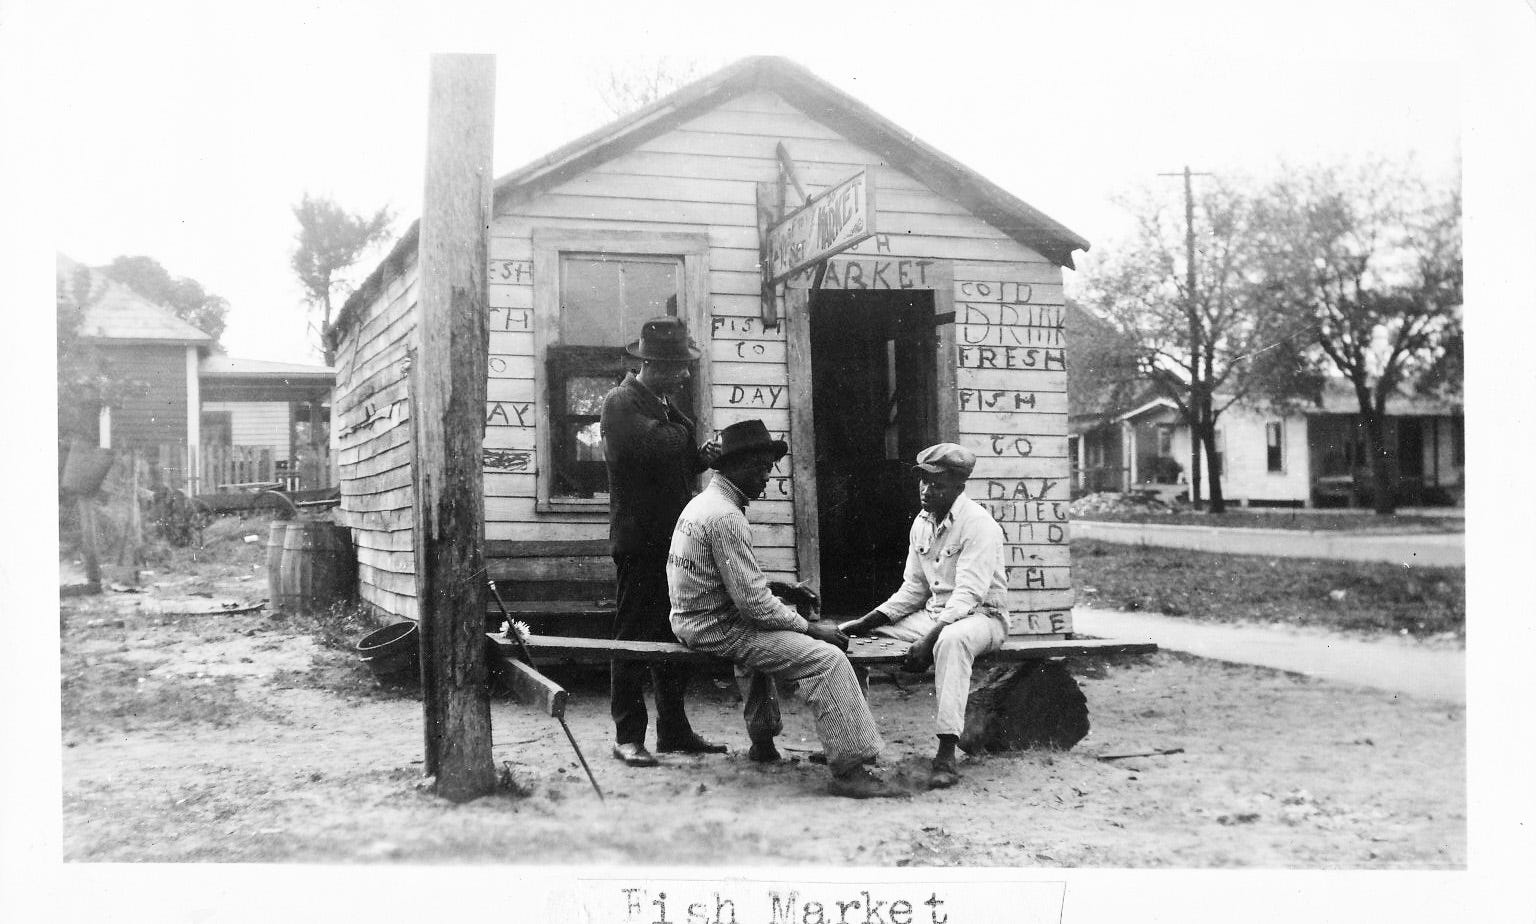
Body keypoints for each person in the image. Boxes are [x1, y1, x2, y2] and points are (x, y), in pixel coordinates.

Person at [667, 419, 904, 799]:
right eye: (761, 467)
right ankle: (850, 770)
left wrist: (784, 589)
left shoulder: (704, 503)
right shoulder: (726, 516)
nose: (766, 477)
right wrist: (813, 631)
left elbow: (731, 580)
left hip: (694, 619)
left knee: (773, 639)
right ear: (736, 466)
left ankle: (763, 743)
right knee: (828, 659)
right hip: (716, 627)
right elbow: (755, 607)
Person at [839, 442, 1009, 790]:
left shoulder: (979, 525)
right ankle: (857, 742)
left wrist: (927, 640)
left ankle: (947, 752)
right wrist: (866, 622)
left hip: (983, 619)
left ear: (959, 488)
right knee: (848, 640)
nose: (927, 491)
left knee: (951, 640)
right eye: (923, 482)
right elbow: (913, 591)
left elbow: (968, 596)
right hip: (935, 617)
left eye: (937, 484)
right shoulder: (921, 523)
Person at [601, 315, 724, 768]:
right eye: (680, 366)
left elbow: (671, 458)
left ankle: (673, 730)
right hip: (639, 543)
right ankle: (627, 735)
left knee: (678, 633)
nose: (687, 374)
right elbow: (653, 448)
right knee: (632, 637)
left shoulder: (663, 406)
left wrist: (698, 458)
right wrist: (684, 439)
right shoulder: (621, 402)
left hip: (675, 542)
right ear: (653, 363)